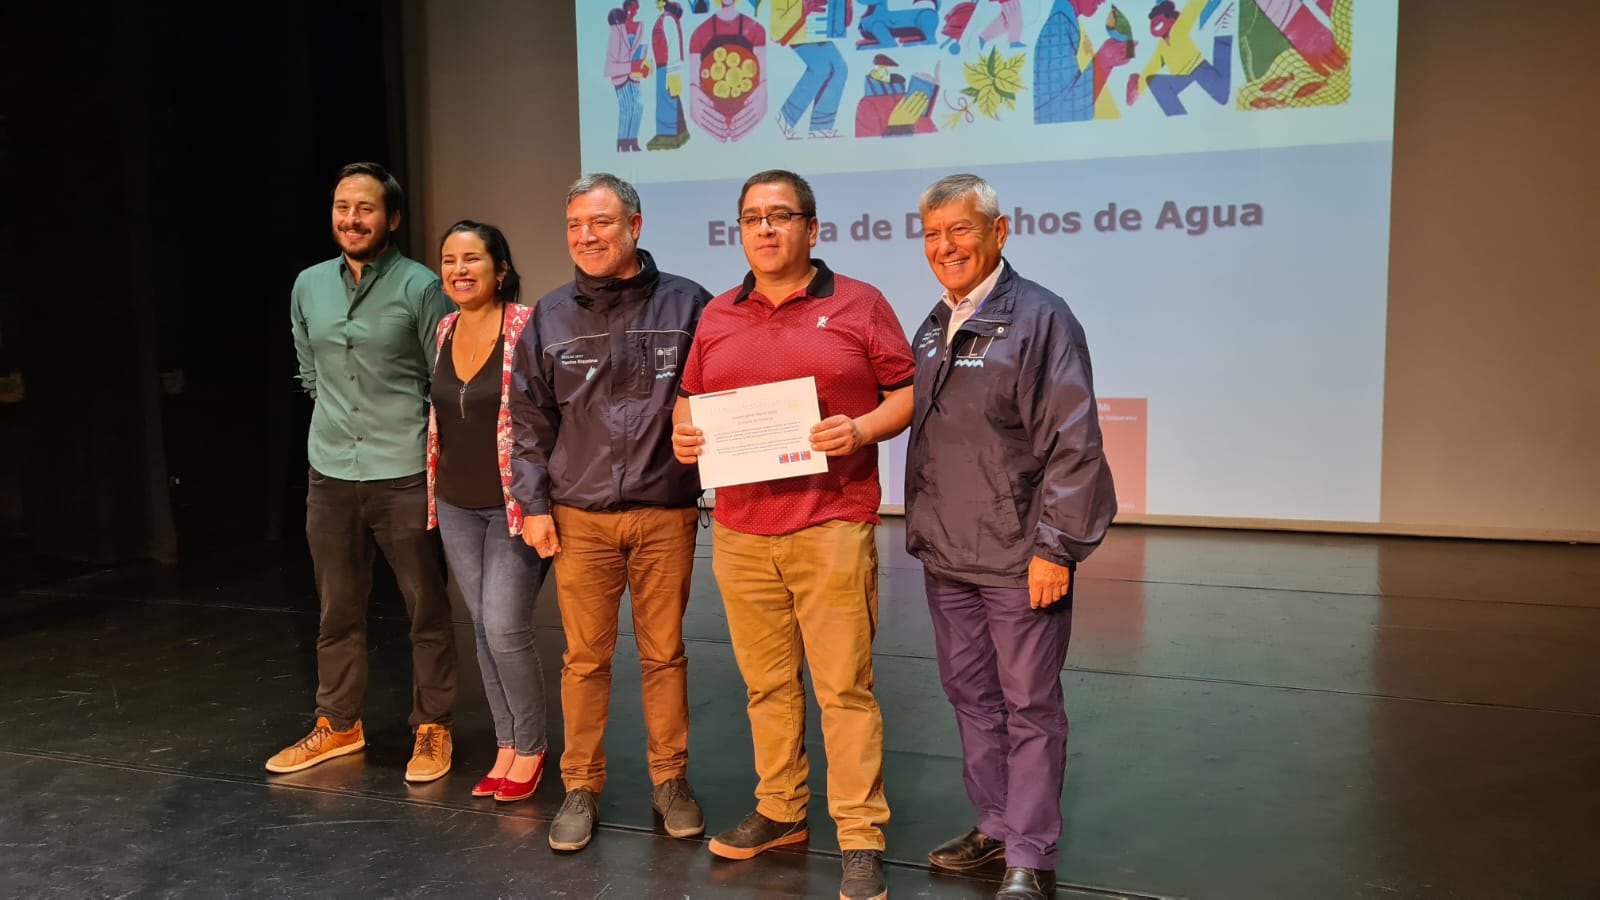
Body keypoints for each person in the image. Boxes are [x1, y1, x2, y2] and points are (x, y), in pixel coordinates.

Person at [671, 169, 914, 900]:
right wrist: (686, 436)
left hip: (832, 522)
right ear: (740, 232)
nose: (766, 229)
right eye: (752, 218)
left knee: (844, 687)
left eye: (781, 216)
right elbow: (691, 404)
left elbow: (906, 392)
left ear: (812, 227)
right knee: (766, 685)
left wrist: (861, 427)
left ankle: (860, 834)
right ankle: (781, 810)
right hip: (743, 530)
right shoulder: (716, 315)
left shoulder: (859, 304)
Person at [905, 174, 1117, 900]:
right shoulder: (936, 323)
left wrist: (1056, 546)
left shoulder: (1040, 318)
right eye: (932, 234)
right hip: (949, 553)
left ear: (999, 233)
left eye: (959, 230)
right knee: (971, 696)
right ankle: (995, 825)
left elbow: (1075, 440)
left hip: (1018, 553)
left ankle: (1031, 850)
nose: (944, 246)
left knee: (1029, 704)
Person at [510, 173, 712, 852]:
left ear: (635, 226)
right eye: (574, 226)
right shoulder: (549, 315)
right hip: (580, 518)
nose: (585, 237)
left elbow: (718, 399)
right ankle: (580, 786)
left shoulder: (689, 305)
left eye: (599, 223)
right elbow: (530, 422)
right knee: (584, 661)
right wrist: (532, 505)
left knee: (665, 656)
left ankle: (670, 781)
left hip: (664, 513)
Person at [271, 162, 458, 782]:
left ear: (392, 219)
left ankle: (432, 727)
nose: (351, 219)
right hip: (330, 470)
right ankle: (338, 723)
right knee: (336, 608)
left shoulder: (421, 286)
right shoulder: (308, 284)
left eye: (365, 209)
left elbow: (444, 379)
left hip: (402, 470)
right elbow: (308, 371)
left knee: (423, 607)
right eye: (342, 207)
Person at [425, 221, 550, 803]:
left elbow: (547, 415)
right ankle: (506, 742)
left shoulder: (527, 326)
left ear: (500, 269)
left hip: (513, 505)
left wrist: (542, 498)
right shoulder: (444, 328)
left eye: (472, 258)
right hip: (455, 502)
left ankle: (531, 746)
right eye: (449, 260)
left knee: (504, 626)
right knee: (480, 626)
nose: (459, 269)